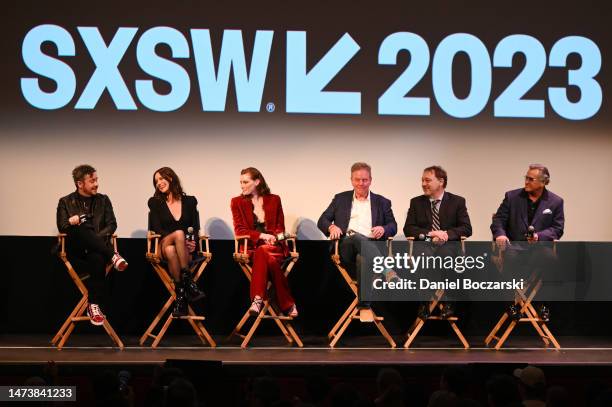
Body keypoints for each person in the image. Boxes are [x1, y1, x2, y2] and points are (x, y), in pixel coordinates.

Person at [317, 162, 397, 321]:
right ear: (351, 180)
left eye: (365, 180)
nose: (361, 183)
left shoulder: (382, 202)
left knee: (363, 257)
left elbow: (393, 226)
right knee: (356, 237)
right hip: (346, 246)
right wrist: (331, 227)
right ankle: (387, 270)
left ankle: (364, 305)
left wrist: (384, 229)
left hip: (371, 247)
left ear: (371, 180)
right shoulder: (340, 199)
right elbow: (322, 220)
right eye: (357, 180)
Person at [56, 164, 128, 326]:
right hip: (77, 252)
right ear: (80, 184)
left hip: (96, 252)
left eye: (96, 180)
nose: (96, 184)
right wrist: (70, 221)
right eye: (92, 181)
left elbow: (112, 225)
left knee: (96, 256)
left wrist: (93, 239)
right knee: (81, 225)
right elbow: (62, 226)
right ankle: (113, 255)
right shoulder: (65, 201)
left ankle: (93, 305)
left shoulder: (103, 200)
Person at [490, 164, 564, 321]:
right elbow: (498, 221)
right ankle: (511, 304)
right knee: (510, 257)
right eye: (526, 177)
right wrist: (501, 235)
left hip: (537, 247)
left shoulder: (556, 201)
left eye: (531, 179)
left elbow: (557, 229)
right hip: (513, 246)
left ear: (544, 182)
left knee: (551, 259)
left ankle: (542, 303)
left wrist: (539, 236)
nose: (526, 181)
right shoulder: (512, 196)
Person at [403, 165, 472, 318]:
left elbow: (466, 228)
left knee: (447, 255)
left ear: (441, 181)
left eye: (427, 180)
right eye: (422, 180)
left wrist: (446, 234)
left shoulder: (457, 201)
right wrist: (430, 233)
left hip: (447, 246)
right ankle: (423, 302)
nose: (423, 184)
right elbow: (408, 228)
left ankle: (449, 301)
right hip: (425, 244)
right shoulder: (416, 202)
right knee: (421, 256)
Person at [230, 167, 298, 317]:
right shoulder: (237, 202)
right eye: (240, 182)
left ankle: (257, 299)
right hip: (253, 248)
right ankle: (287, 303)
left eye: (245, 182)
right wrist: (262, 236)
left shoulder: (274, 199)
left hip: (274, 247)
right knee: (266, 256)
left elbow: (280, 228)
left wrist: (275, 238)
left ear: (257, 182)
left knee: (265, 251)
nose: (242, 186)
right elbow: (239, 231)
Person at [148, 167, 205, 317]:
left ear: (171, 178)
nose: (158, 183)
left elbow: (196, 228)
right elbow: (157, 229)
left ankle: (180, 294)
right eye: (156, 181)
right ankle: (189, 281)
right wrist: (179, 238)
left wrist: (194, 243)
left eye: (161, 179)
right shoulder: (155, 202)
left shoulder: (190, 201)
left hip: (182, 251)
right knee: (178, 235)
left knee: (172, 251)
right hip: (163, 244)